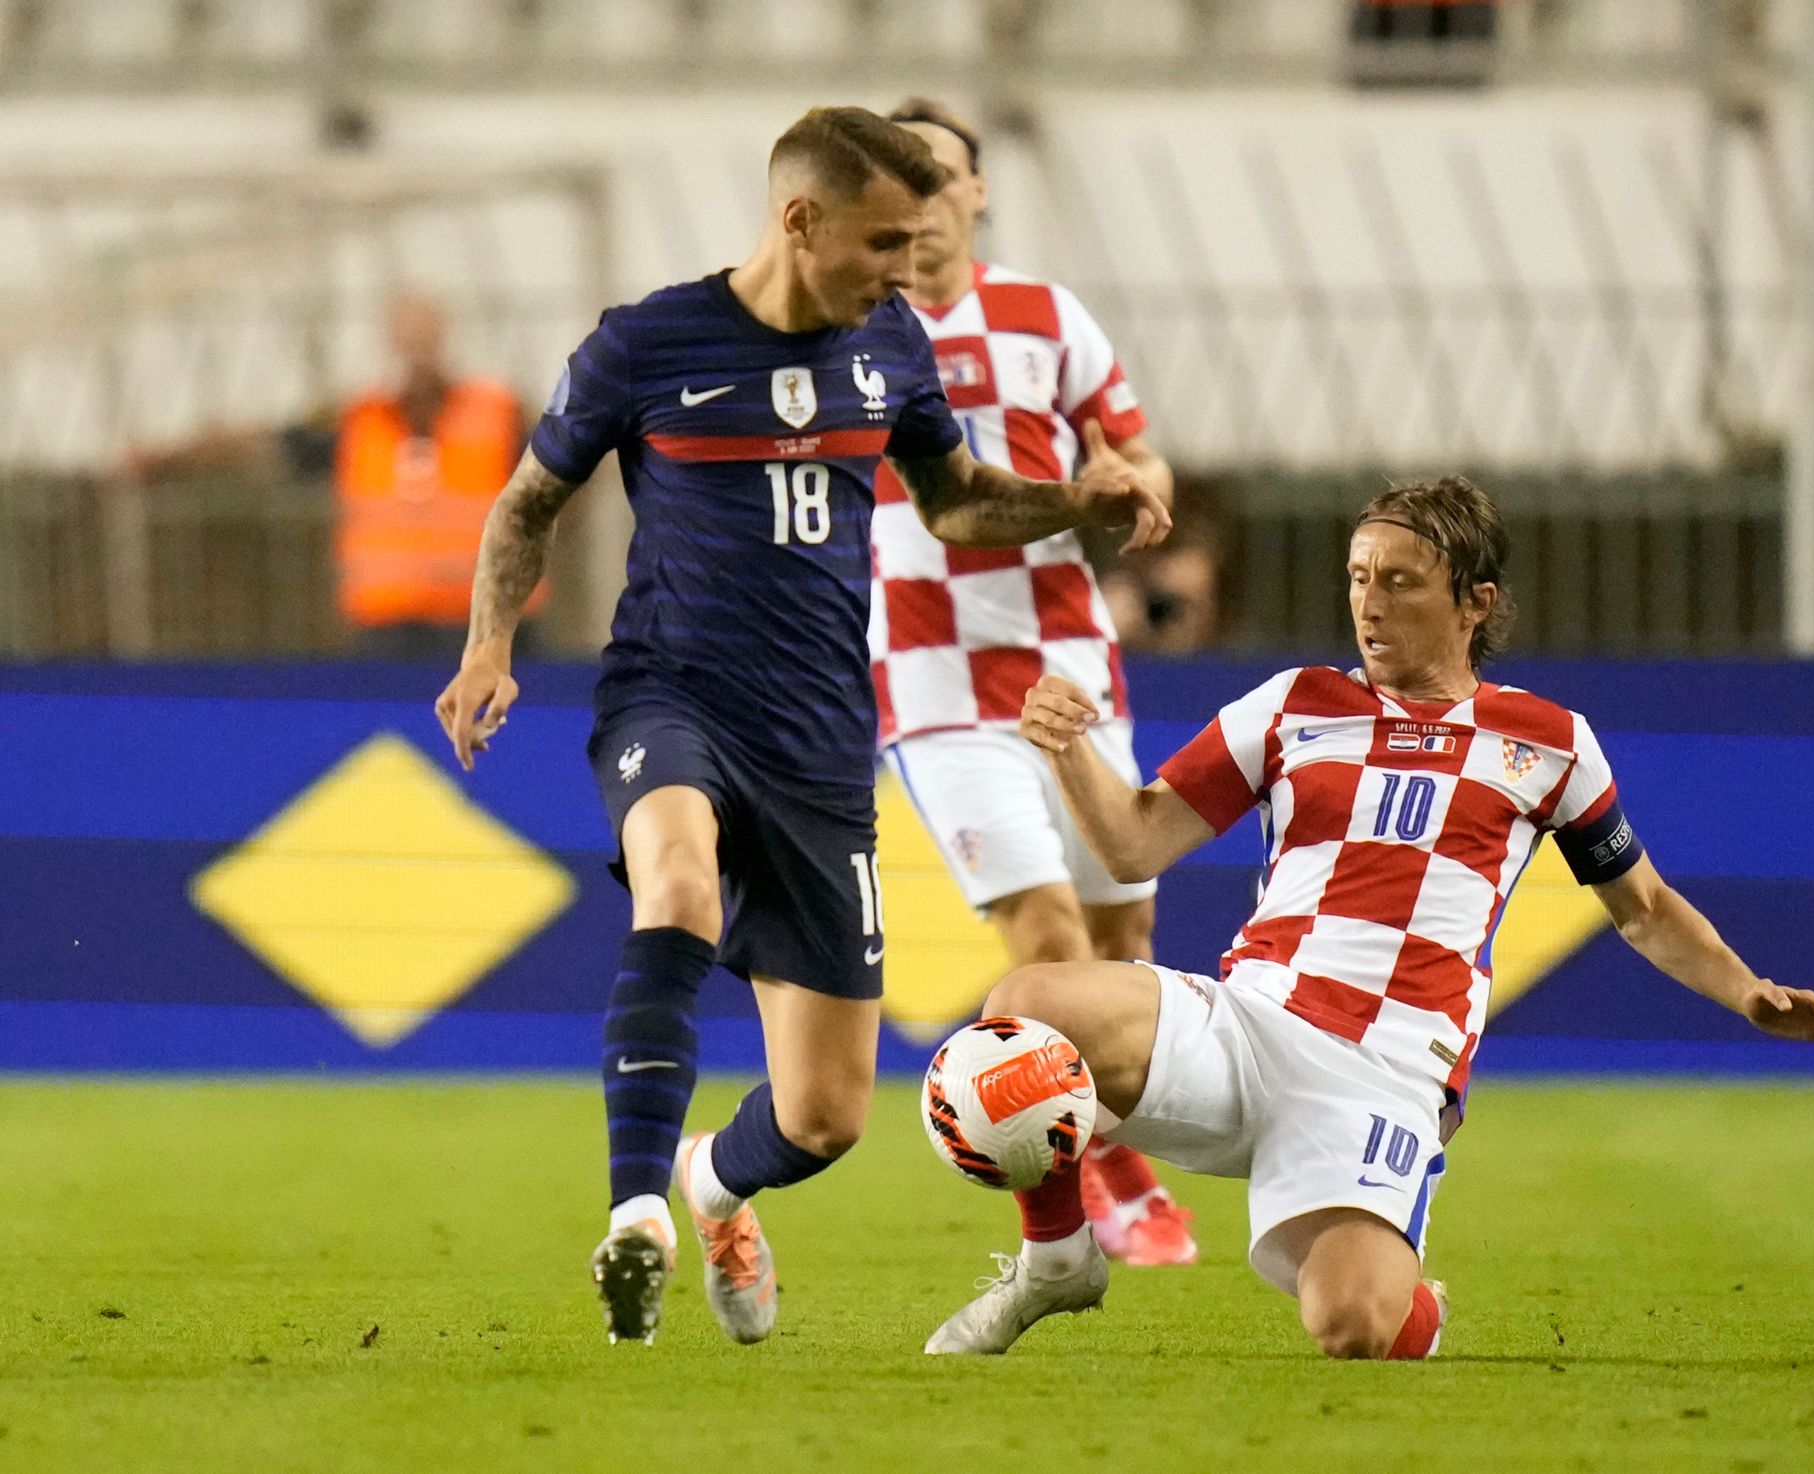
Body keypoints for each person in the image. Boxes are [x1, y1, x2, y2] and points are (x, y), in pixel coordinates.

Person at [432, 106, 1170, 1348]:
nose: (902, 270)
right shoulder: (645, 343)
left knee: (825, 1114)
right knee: (675, 885)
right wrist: (487, 645)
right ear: (798, 220)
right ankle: (633, 1216)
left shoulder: (887, 346)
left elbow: (954, 504)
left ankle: (711, 1183)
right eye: (881, 243)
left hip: (823, 738)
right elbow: (526, 505)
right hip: (669, 693)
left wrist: (1072, 500)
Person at [925, 474, 1814, 1359]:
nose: (1370, 604)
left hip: (1384, 1073)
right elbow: (1133, 846)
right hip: (1249, 1024)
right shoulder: (1294, 706)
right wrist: (1069, 749)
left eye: (1401, 583)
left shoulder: (1549, 742)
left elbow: (1644, 907)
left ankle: (1410, 1289)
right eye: (1360, 579)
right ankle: (1057, 1262)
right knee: (1027, 1006)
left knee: (1354, 1330)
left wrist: (1749, 994)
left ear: (1475, 603)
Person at [869, 96, 1196, 1265]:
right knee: (1046, 930)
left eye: (935, 176)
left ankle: (1108, 1139)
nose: (916, 201)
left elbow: (1132, 441)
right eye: (893, 180)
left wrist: (1136, 479)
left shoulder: (1045, 316)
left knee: (1123, 928)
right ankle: (1101, 1177)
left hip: (1066, 662)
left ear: (975, 190)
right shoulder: (850, 331)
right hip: (931, 681)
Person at [123, 293, 530, 661]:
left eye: (425, 341)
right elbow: (263, 445)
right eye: (407, 343)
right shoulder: (359, 422)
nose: (416, 357)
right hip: (390, 631)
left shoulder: (498, 414)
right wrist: (166, 460)